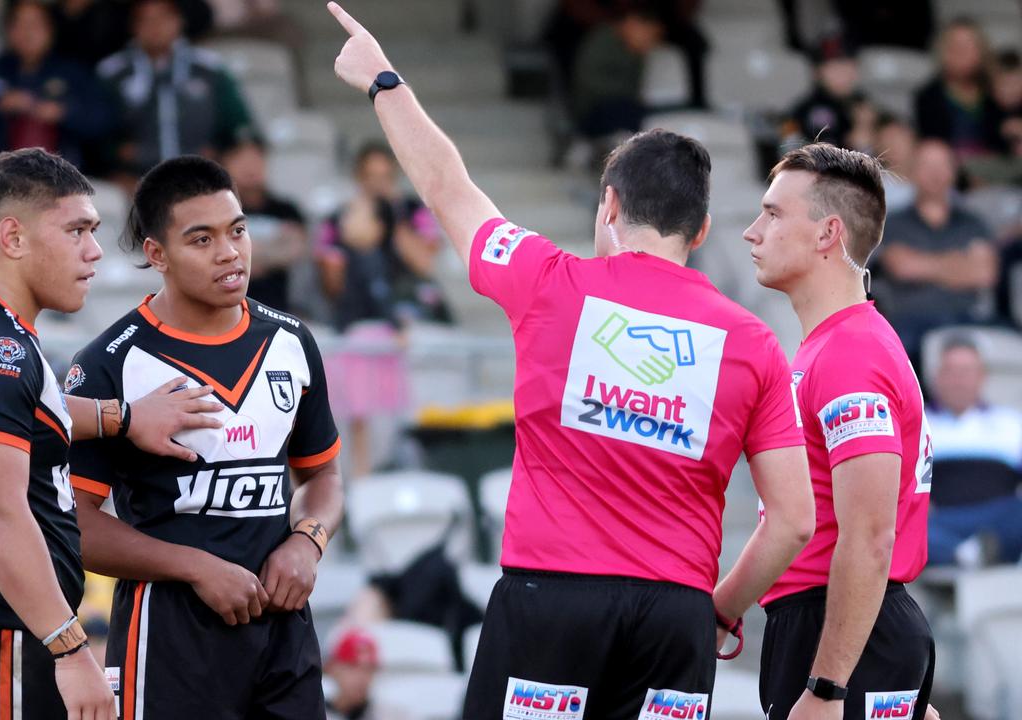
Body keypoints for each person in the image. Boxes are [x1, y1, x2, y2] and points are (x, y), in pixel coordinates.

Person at [327, 6, 816, 718]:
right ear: (703, 228)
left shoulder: (549, 281)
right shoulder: (754, 342)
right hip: (675, 618)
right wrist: (720, 608)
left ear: (609, 204)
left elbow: (448, 188)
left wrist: (384, 81)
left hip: (550, 602)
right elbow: (794, 520)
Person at [0, 147, 229, 720]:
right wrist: (71, 649)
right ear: (13, 238)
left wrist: (120, 416)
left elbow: (13, 413)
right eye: (76, 230)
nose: (95, 251)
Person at [64, 155, 344, 719]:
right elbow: (76, 526)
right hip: (168, 635)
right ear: (157, 254)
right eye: (202, 239)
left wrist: (306, 542)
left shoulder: (292, 341)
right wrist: (195, 567)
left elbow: (323, 476)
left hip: (283, 629)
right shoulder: (110, 363)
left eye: (237, 230)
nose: (229, 252)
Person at [743, 142, 935, 720]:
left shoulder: (851, 353)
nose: (753, 232)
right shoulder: (838, 345)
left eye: (773, 214)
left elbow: (871, 539)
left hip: (840, 637)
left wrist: (828, 686)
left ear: (828, 234)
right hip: (844, 629)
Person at [317, 141, 450, 480]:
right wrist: (357, 237)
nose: (378, 183)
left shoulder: (410, 210)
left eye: (385, 176)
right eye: (370, 177)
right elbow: (333, 287)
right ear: (358, 178)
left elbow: (424, 263)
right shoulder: (339, 220)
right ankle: (363, 478)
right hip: (364, 324)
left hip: (414, 315)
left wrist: (393, 220)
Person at [0, 0, 114, 174]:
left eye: (35, 25)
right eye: (19, 24)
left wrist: (63, 112)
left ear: (51, 30)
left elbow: (103, 120)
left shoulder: (73, 74)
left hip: (61, 180)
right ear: (8, 30)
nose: (27, 33)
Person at [96, 0, 255, 186]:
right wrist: (116, 157)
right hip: (135, 181)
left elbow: (239, 126)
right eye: (146, 19)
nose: (155, 26)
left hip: (202, 177)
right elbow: (96, 134)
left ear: (180, 20)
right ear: (133, 25)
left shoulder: (209, 69)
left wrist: (222, 154)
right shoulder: (112, 73)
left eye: (164, 17)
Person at [876, 139, 997, 364]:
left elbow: (984, 274)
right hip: (913, 319)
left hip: (967, 317)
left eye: (943, 165)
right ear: (912, 172)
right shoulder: (894, 222)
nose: (936, 173)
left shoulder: (973, 222)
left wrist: (925, 265)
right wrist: (958, 263)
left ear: (954, 171)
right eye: (927, 166)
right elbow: (903, 268)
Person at [925, 336, 1022, 567]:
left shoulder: (1011, 423)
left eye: (966, 371)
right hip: (942, 519)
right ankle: (969, 553)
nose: (958, 381)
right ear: (937, 377)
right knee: (908, 527)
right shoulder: (919, 424)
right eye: (951, 371)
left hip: (999, 517)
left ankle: (964, 554)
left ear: (982, 377)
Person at [220, 136, 310, 313]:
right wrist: (272, 251)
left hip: (278, 307)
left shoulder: (286, 210)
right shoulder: (217, 211)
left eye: (255, 158)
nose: (249, 166)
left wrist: (242, 259)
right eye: (241, 159)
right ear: (225, 163)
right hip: (227, 308)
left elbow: (296, 250)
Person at [915, 19, 1007, 161]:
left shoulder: (997, 94)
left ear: (981, 51)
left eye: (968, 46)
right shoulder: (928, 97)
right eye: (954, 46)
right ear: (942, 51)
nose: (961, 53)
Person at [569, 8, 664, 140]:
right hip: (593, 110)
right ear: (633, 23)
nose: (651, 42)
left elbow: (637, 86)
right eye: (650, 34)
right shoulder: (602, 41)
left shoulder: (634, 52)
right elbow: (590, 80)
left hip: (623, 106)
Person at [784, 36, 868, 151]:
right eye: (832, 68)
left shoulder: (865, 103)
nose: (841, 74)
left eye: (846, 65)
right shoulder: (804, 110)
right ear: (817, 72)